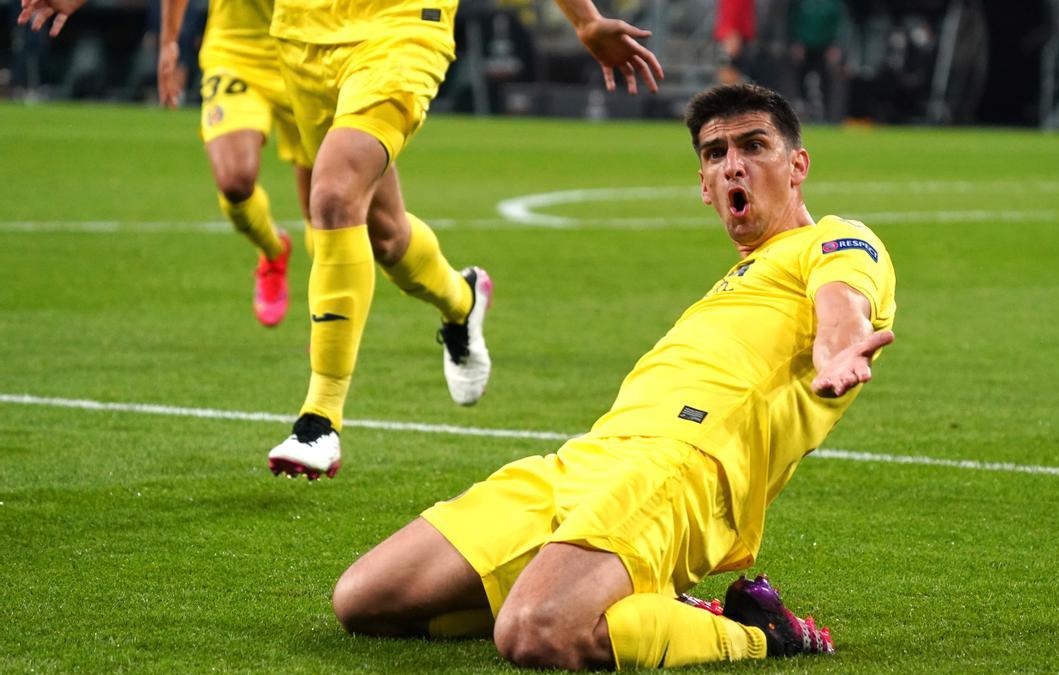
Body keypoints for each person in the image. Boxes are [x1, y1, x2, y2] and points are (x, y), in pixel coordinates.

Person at [329, 83, 897, 669]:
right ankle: (614, 592)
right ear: (704, 186)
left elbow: (843, 306)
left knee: (535, 633)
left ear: (797, 164)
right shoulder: (743, 277)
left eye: (754, 146)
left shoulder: (832, 241)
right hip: (590, 458)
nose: (733, 165)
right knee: (365, 600)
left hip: (682, 466)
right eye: (715, 153)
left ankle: (761, 633)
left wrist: (838, 353)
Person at [20, 0, 665, 481]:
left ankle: (319, 420)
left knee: (331, 195)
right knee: (383, 236)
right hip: (299, 41)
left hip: (400, 31)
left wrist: (582, 20)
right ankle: (462, 300)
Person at [158, 0, 310, 328]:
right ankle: (273, 249)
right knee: (234, 180)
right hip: (235, 51)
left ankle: (331, 327)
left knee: (328, 206)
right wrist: (169, 41)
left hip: (308, 53)